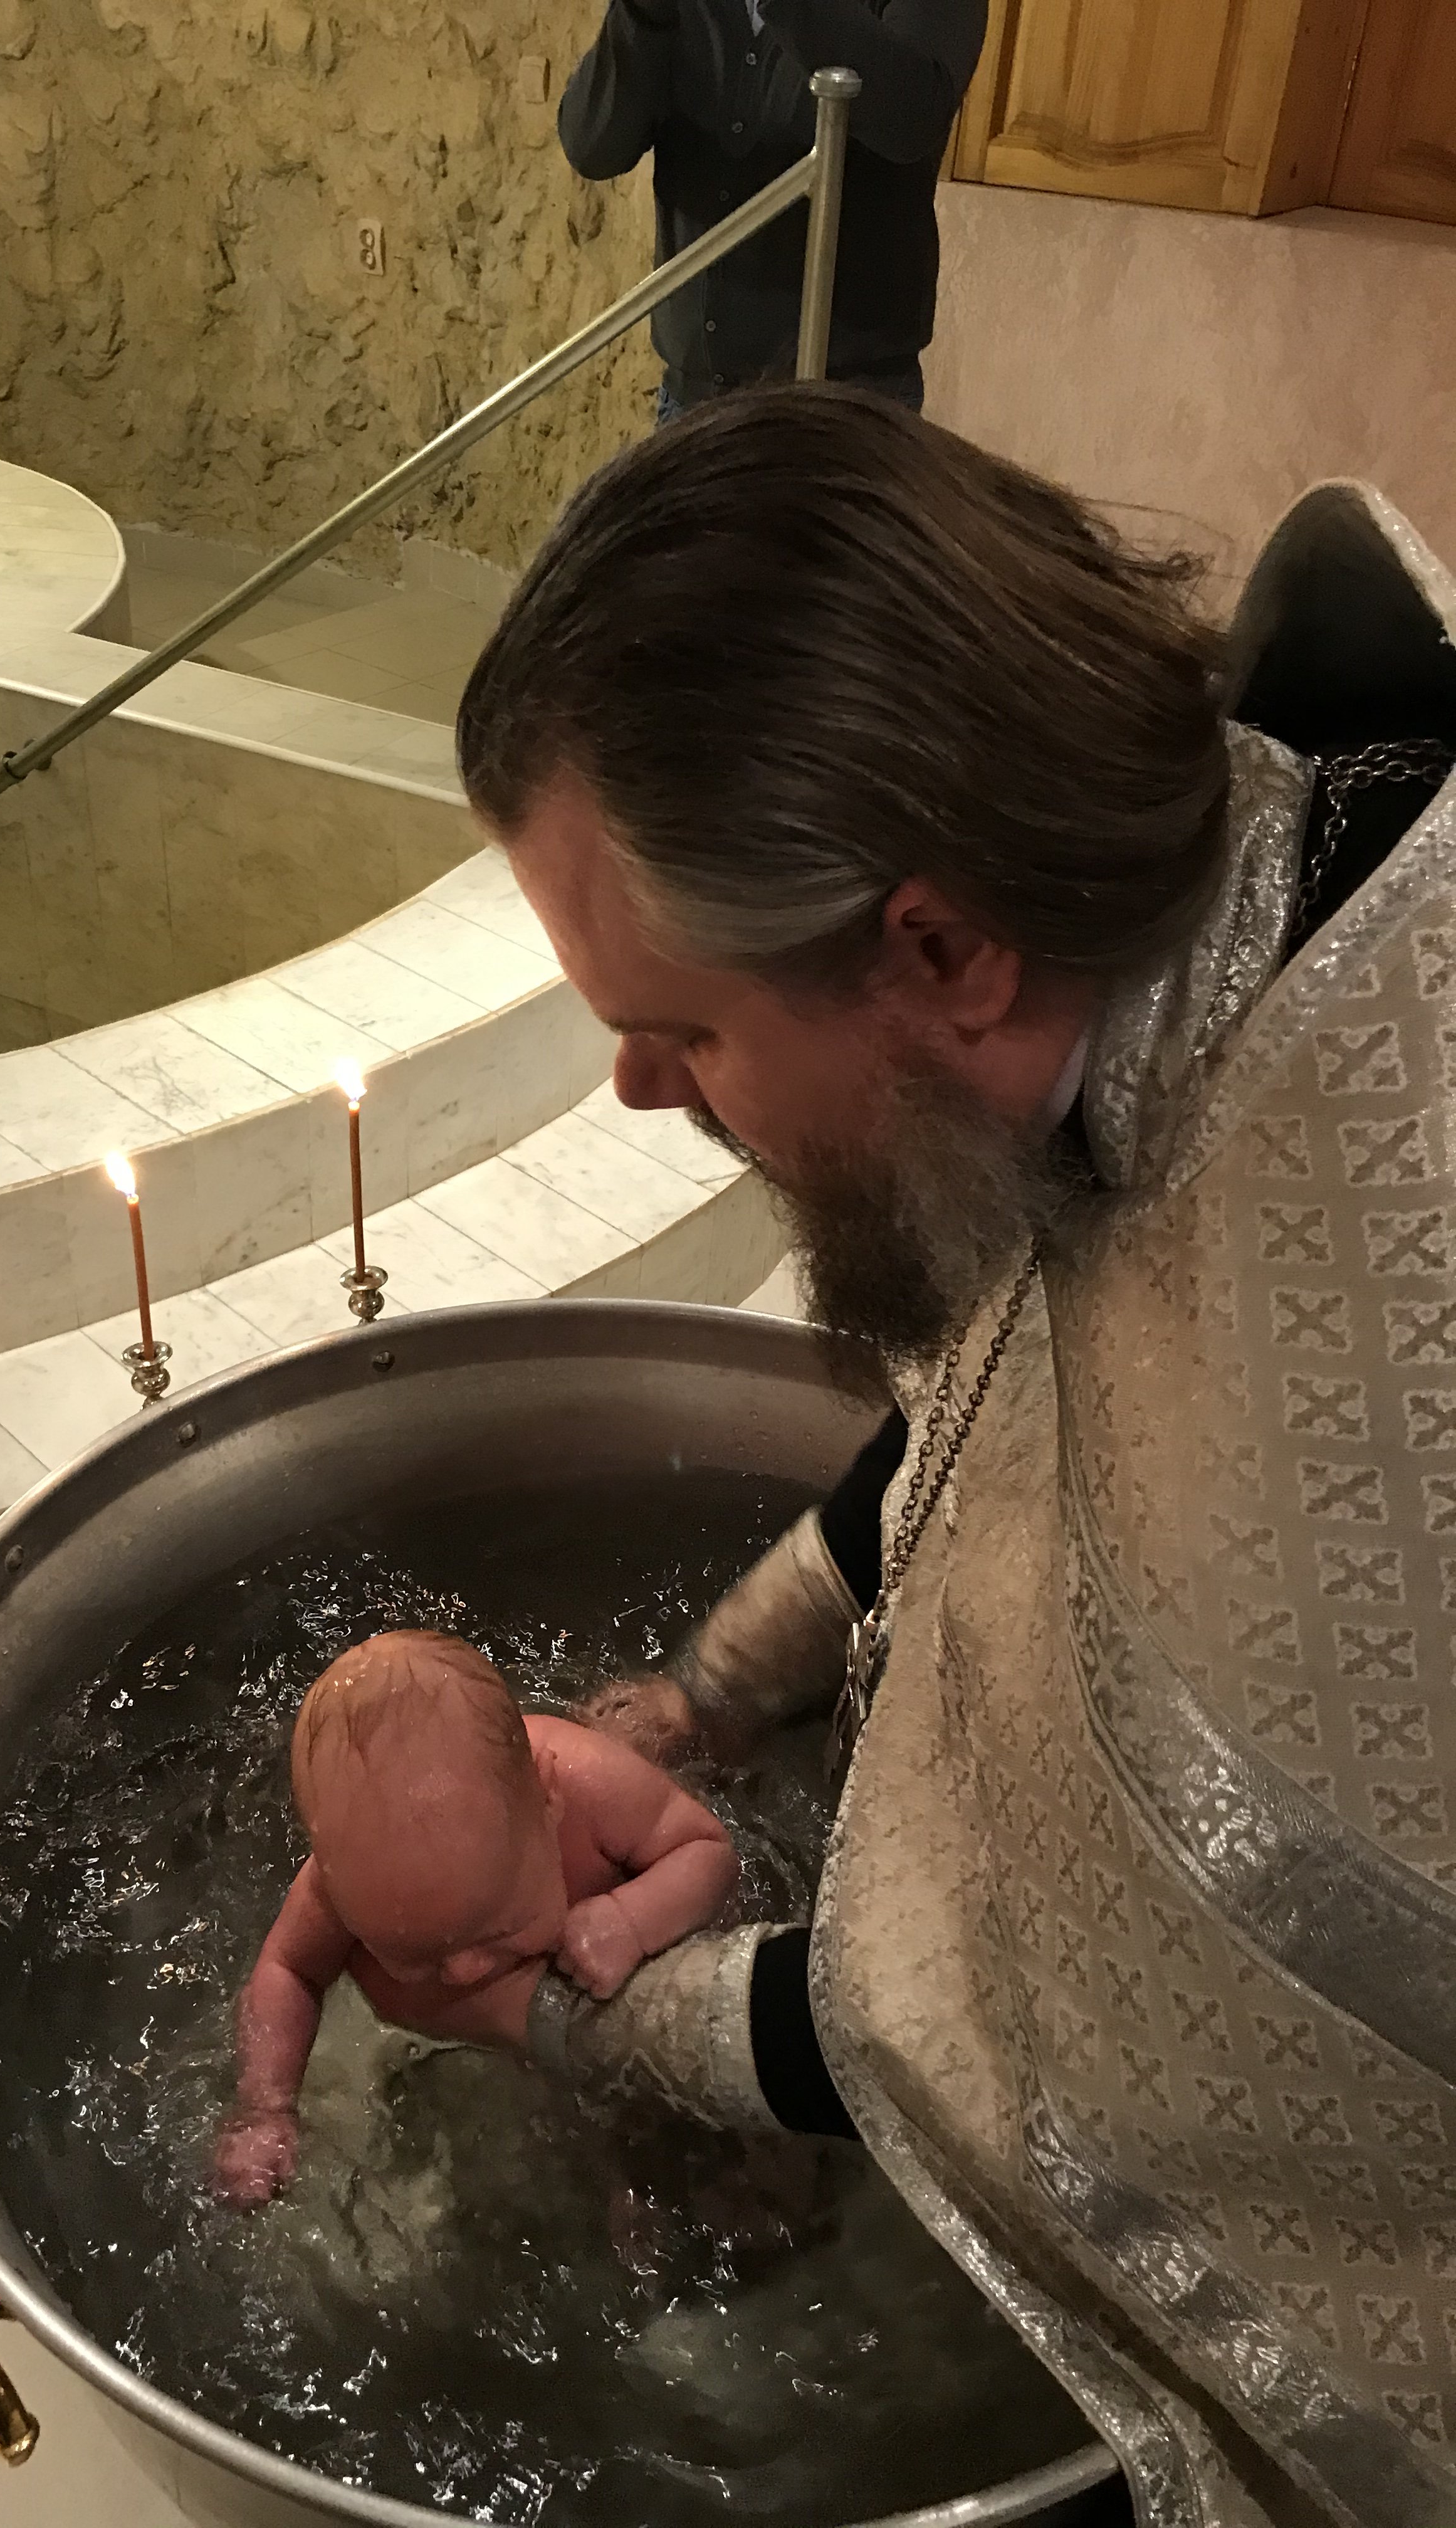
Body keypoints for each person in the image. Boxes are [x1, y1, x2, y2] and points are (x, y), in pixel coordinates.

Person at [445, 386, 1456, 2525]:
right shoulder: (1215, 903)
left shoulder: (1373, 1312)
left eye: (682, 1028)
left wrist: (574, 2012)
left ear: (939, 949)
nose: (637, 1090)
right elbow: (1024, 1376)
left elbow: (1057, 2049)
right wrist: (713, 1688)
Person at [211, 1629, 739, 2203]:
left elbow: (707, 1848)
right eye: (413, 1954)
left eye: (499, 1929)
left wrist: (631, 1919)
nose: (463, 1972)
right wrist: (265, 2107)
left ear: (548, 1803)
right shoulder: (347, 1876)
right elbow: (288, 1968)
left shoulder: (586, 1785)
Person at [557, 0, 986, 419]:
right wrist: (642, 12)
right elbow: (594, 148)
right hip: (693, 406)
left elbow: (913, 118)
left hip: (847, 413)